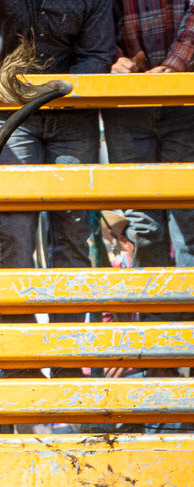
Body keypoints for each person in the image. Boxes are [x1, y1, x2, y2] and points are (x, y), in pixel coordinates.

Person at [0, 0, 114, 304]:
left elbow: (98, 55)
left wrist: (54, 92)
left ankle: (68, 334)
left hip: (71, 113)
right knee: (15, 225)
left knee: (73, 223)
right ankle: (14, 328)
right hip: (9, 112)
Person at [102, 0, 194, 321]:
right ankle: (159, 349)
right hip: (126, 101)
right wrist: (115, 60)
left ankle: (185, 348)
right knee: (144, 227)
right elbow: (92, 19)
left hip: (185, 95)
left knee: (189, 224)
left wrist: (174, 65)